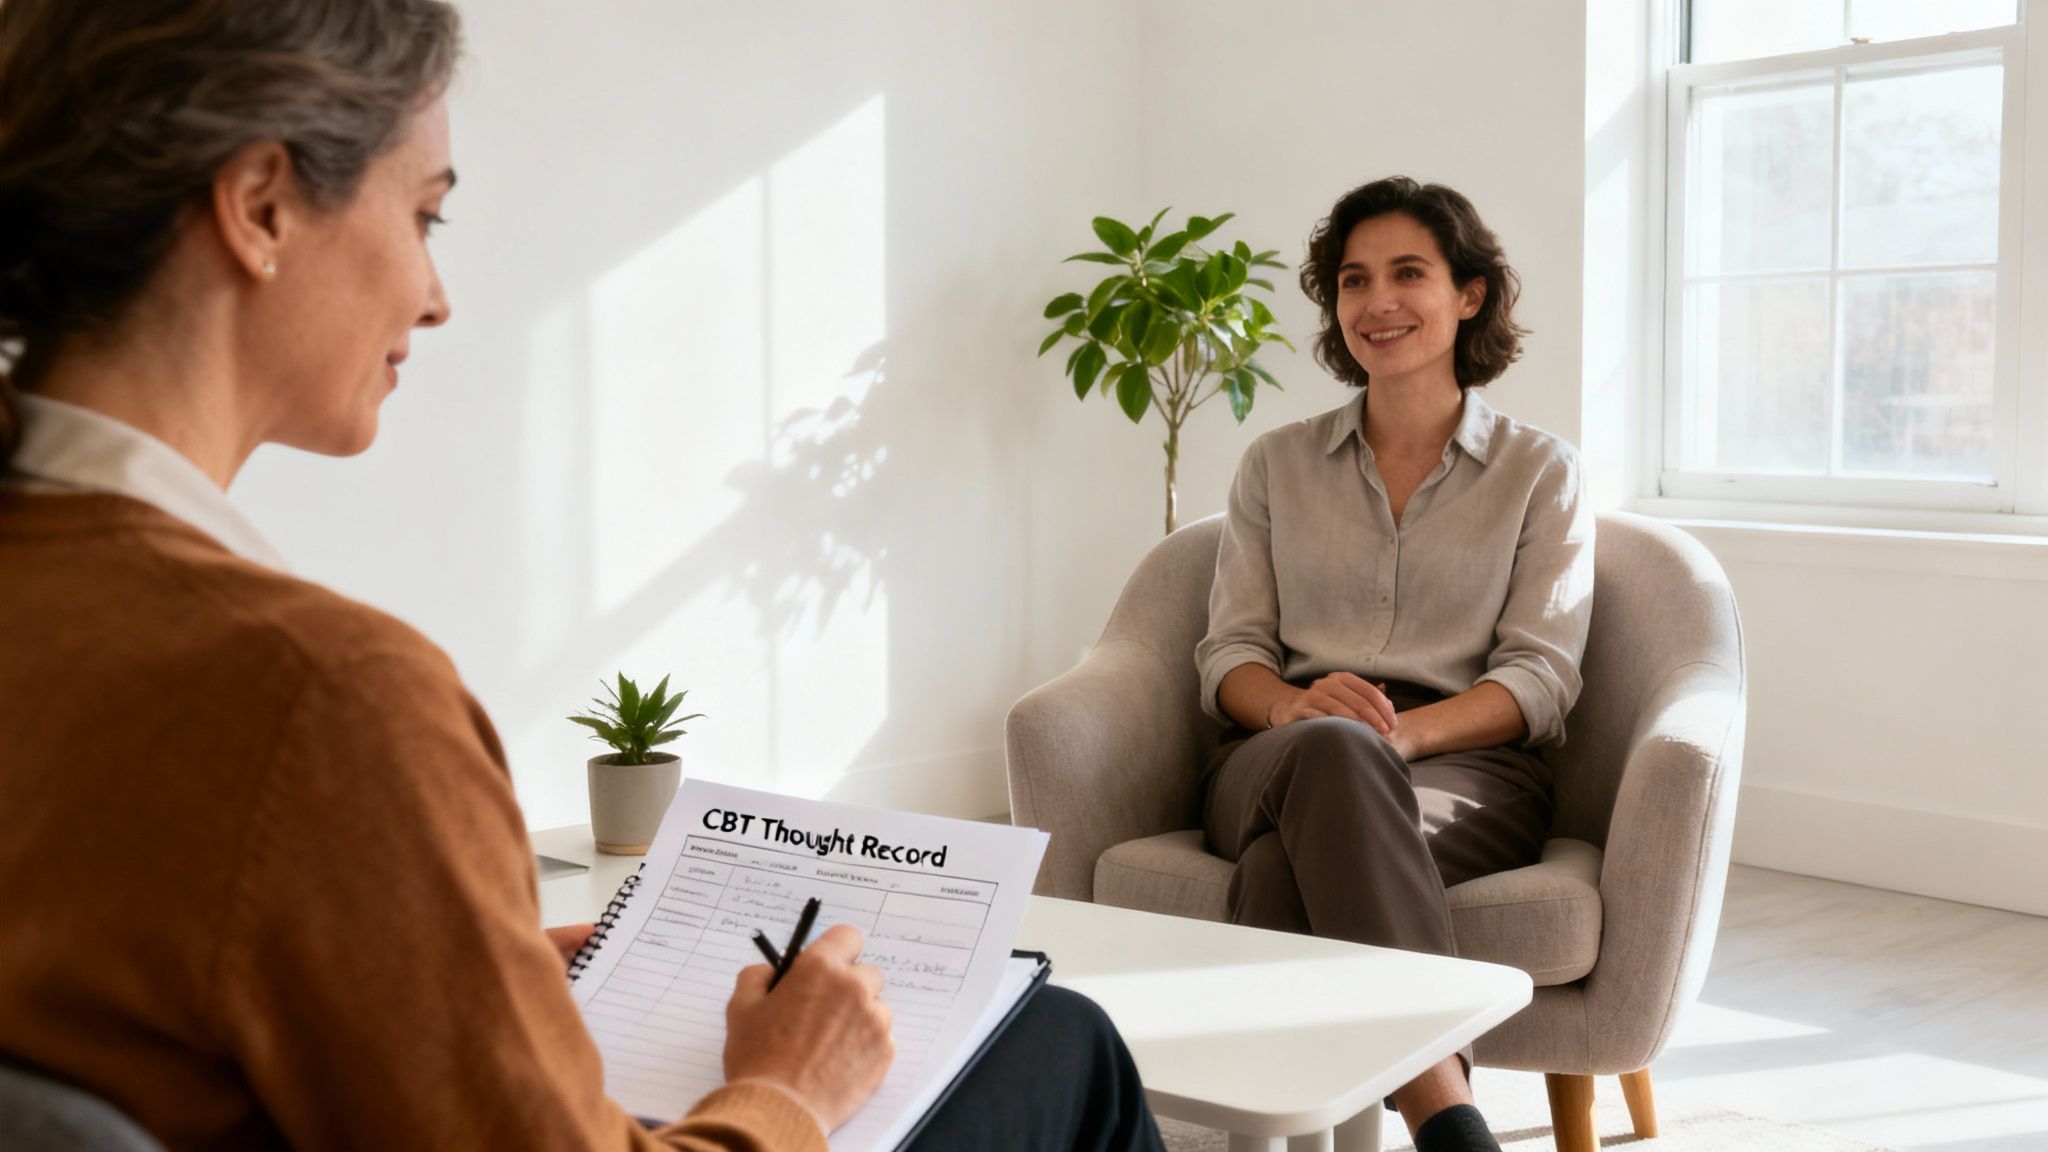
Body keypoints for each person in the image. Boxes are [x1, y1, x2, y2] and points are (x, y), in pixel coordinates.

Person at [0, 3, 1164, 1150]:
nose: (436, 297)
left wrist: (466, 983)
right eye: (424, 216)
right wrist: (789, 1087)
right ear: (260, 206)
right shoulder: (321, 698)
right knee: (1058, 1040)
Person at [1195, 177, 1595, 1152]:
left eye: (1407, 273)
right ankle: (1449, 1126)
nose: (1376, 302)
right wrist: (1291, 710)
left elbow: (1540, 679)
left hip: (1467, 761)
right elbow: (1229, 655)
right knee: (1330, 754)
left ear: (1469, 294)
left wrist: (1399, 736)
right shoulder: (1274, 463)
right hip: (1275, 749)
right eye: (1353, 280)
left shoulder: (1541, 472)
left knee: (1279, 871)